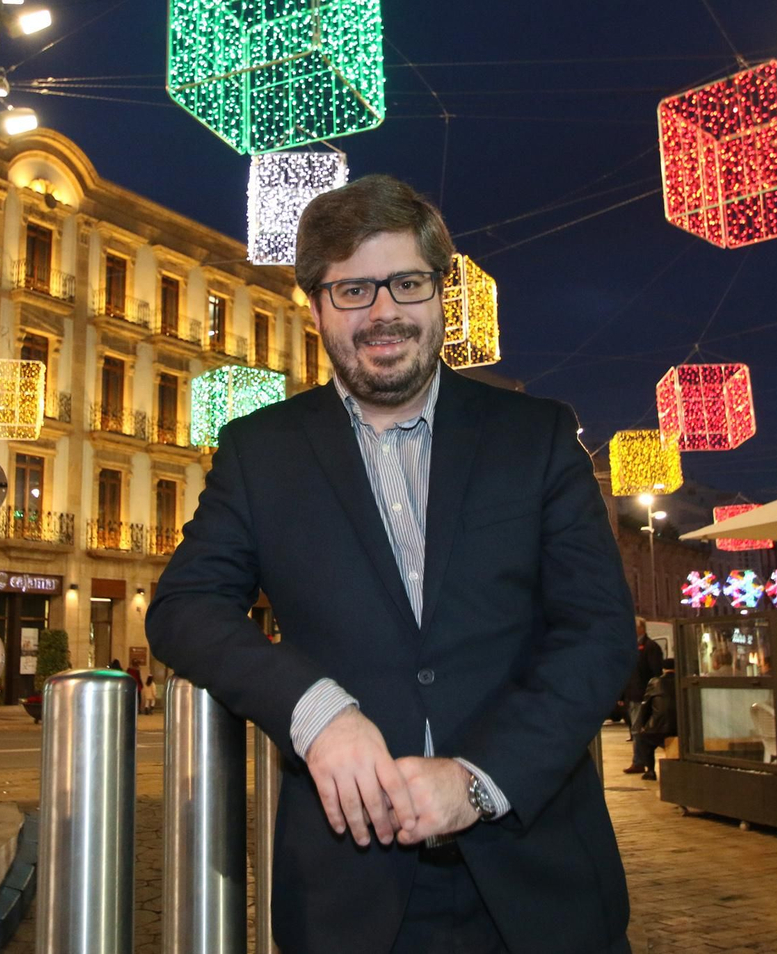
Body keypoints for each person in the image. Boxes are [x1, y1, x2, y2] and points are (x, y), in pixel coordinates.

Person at [147, 175, 635, 954]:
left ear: (443, 293)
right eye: (351, 290)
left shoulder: (536, 436)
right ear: (314, 307)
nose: (382, 312)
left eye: (406, 282)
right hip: (351, 892)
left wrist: (478, 781)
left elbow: (601, 630)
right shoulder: (259, 450)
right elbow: (184, 607)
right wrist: (315, 712)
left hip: (539, 875)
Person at [625, 659, 677, 780]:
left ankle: (650, 771)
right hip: (680, 727)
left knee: (643, 739)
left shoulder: (655, 682)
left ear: (663, 669)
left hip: (658, 727)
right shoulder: (681, 680)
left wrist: (643, 724)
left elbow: (646, 705)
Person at [622, 618, 664, 741]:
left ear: (641, 628)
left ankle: (639, 757)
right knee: (635, 726)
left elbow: (655, 671)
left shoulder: (650, 647)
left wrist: (651, 691)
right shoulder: (631, 646)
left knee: (638, 727)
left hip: (642, 693)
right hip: (631, 693)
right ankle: (638, 755)